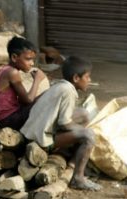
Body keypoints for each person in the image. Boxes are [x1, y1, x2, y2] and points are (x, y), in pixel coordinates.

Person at [20, 55, 102, 191]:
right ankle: (78, 179)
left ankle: (72, 159)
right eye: (87, 77)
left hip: (32, 131)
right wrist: (84, 131)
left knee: (83, 114)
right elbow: (65, 123)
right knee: (88, 135)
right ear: (76, 78)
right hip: (40, 140)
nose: (89, 80)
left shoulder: (60, 85)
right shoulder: (69, 91)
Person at [0, 36, 46, 130]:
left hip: (4, 119)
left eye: (33, 60)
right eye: (28, 59)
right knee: (49, 96)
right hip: (9, 120)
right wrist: (37, 80)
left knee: (45, 96)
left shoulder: (6, 69)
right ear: (14, 57)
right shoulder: (12, 73)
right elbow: (28, 100)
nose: (32, 63)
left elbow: (22, 101)